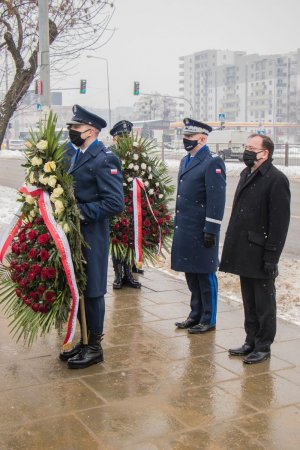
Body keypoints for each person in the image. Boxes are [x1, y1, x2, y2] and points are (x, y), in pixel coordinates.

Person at [59, 105, 124, 369]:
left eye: (76, 128)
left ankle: (95, 346)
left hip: (92, 234)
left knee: (93, 289)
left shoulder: (104, 158)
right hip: (77, 234)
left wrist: (78, 212)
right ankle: (84, 339)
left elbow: (114, 203)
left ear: (91, 131)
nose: (72, 132)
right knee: (79, 288)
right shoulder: (79, 155)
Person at [220, 134, 290, 364]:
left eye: (251, 148)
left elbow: (279, 224)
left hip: (261, 253)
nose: (246, 151)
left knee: (264, 304)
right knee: (249, 300)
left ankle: (263, 346)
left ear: (265, 153)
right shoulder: (247, 173)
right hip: (244, 250)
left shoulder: (276, 179)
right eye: (245, 147)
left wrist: (272, 256)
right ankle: (250, 340)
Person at [172, 118, 226, 333]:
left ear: (202, 139)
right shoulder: (186, 160)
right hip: (186, 228)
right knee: (191, 274)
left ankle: (208, 318)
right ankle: (195, 314)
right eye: (184, 137)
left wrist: (211, 229)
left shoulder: (212, 161)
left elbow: (217, 199)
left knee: (205, 275)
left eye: (190, 137)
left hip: (202, 230)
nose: (185, 140)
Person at [109, 120, 142, 289]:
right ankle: (117, 275)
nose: (124, 140)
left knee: (129, 239)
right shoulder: (110, 154)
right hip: (115, 203)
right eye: (120, 137)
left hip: (132, 204)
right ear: (115, 138)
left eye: (126, 137)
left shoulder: (134, 154)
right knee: (117, 239)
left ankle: (129, 274)